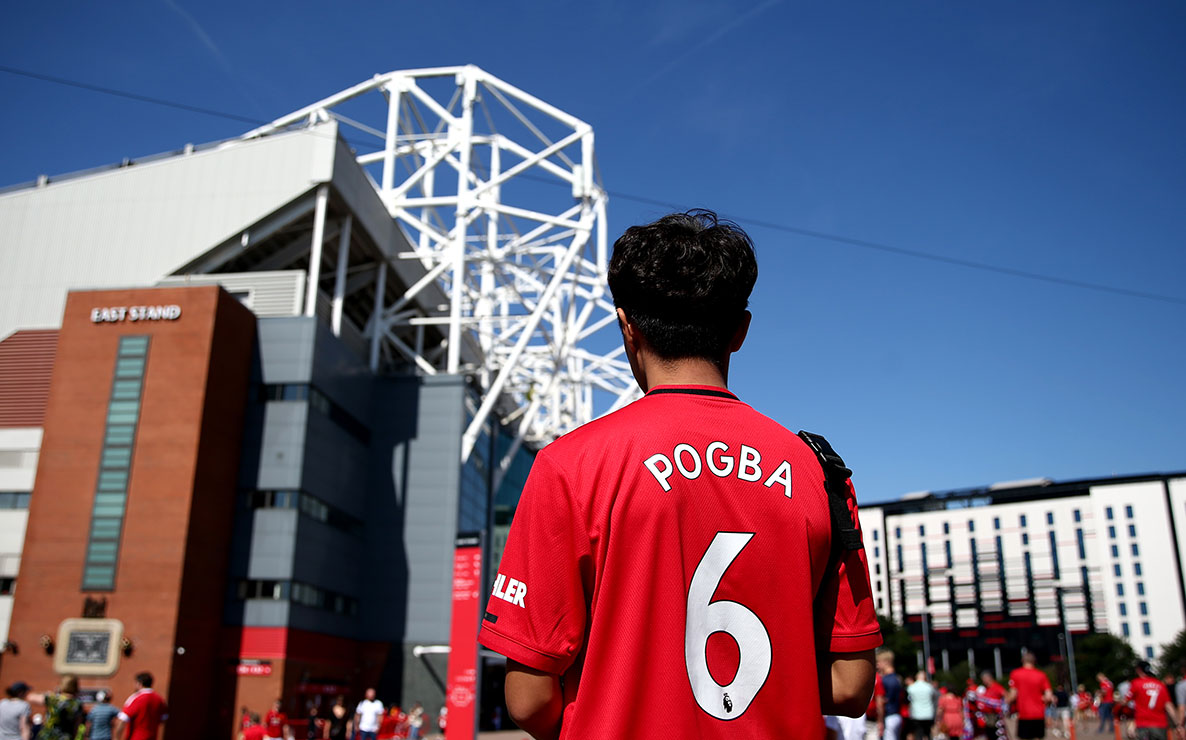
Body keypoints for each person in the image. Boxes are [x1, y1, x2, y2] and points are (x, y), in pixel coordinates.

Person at [478, 211, 880, 737]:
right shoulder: (820, 473)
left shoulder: (569, 466)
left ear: (627, 327)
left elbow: (529, 700)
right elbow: (851, 685)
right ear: (740, 331)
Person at [1007, 652, 1053, 740]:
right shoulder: (1041, 675)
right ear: (1034, 661)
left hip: (1024, 714)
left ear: (1022, 661)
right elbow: (1049, 696)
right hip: (1039, 714)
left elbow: (1013, 695)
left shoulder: (1015, 674)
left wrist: (1007, 704)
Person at [28, 676, 83, 740]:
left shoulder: (53, 699)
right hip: (64, 737)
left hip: (47, 736)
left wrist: (50, 693)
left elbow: (30, 697)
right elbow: (76, 726)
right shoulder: (77, 704)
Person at [116, 672, 168, 740]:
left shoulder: (136, 698)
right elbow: (163, 719)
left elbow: (122, 719)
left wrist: (116, 738)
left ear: (139, 683)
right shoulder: (160, 700)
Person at [1129, 661, 1173, 740]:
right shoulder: (1160, 685)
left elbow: (1126, 701)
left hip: (1143, 723)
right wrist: (1178, 724)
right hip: (1160, 724)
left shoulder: (1136, 683)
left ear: (1138, 670)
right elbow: (1169, 706)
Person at [975, 671, 1006, 740]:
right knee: (989, 734)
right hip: (987, 716)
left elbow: (1006, 696)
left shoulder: (997, 687)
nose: (983, 681)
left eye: (983, 679)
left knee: (997, 735)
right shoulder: (986, 689)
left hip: (995, 716)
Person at [881, 652, 905, 740]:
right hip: (896, 715)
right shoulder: (897, 678)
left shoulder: (887, 680)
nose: (877, 665)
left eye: (879, 662)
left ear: (886, 662)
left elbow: (885, 699)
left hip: (889, 716)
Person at [907, 671, 937, 740]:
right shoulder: (929, 687)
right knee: (928, 734)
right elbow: (934, 698)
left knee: (918, 734)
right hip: (928, 714)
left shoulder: (912, 687)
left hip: (916, 714)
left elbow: (909, 699)